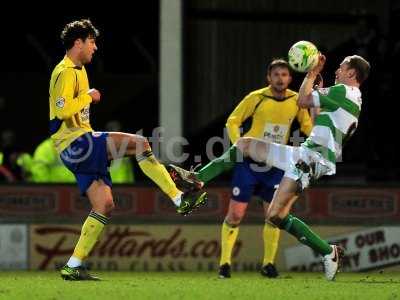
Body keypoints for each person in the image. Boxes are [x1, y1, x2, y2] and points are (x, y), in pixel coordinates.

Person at [49, 19, 205, 280]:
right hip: (76, 143)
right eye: (92, 41)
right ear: (78, 43)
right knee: (141, 143)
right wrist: (89, 96)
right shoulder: (65, 71)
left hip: (77, 146)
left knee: (105, 204)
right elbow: (64, 110)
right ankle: (178, 198)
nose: (95, 47)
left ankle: (73, 265)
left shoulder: (78, 70)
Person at [169, 59, 313, 278]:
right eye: (276, 74)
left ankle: (268, 265)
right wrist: (238, 144)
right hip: (248, 164)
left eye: (284, 75)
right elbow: (232, 121)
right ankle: (225, 265)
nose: (280, 78)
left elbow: (307, 127)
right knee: (235, 215)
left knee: (273, 216)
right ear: (269, 78)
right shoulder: (256, 98)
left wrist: (314, 140)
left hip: (274, 165)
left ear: (290, 79)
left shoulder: (296, 100)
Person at [234, 54, 370, 280]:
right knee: (273, 211)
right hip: (309, 155)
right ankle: (329, 252)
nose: (336, 71)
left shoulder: (344, 91)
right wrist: (317, 95)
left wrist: (312, 73)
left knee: (274, 211)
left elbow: (301, 100)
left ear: (351, 73)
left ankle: (328, 252)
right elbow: (316, 119)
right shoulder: (352, 97)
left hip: (310, 158)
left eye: (340, 67)